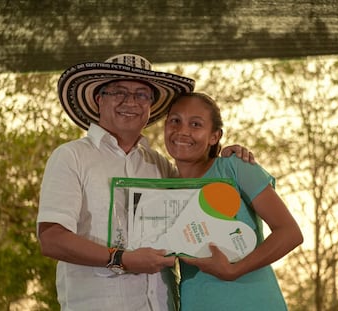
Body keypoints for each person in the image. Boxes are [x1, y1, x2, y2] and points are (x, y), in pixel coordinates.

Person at [37, 54, 254, 311]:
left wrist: (223, 156)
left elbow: (199, 210)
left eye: (141, 94)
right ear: (99, 99)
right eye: (119, 92)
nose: (130, 102)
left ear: (150, 105)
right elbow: (51, 238)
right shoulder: (72, 156)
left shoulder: (160, 165)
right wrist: (122, 259)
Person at [163, 92, 304, 311]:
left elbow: (290, 233)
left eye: (196, 124)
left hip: (253, 302)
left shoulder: (235, 167)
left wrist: (234, 270)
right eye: (175, 120)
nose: (183, 131)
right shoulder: (163, 188)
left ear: (214, 136)